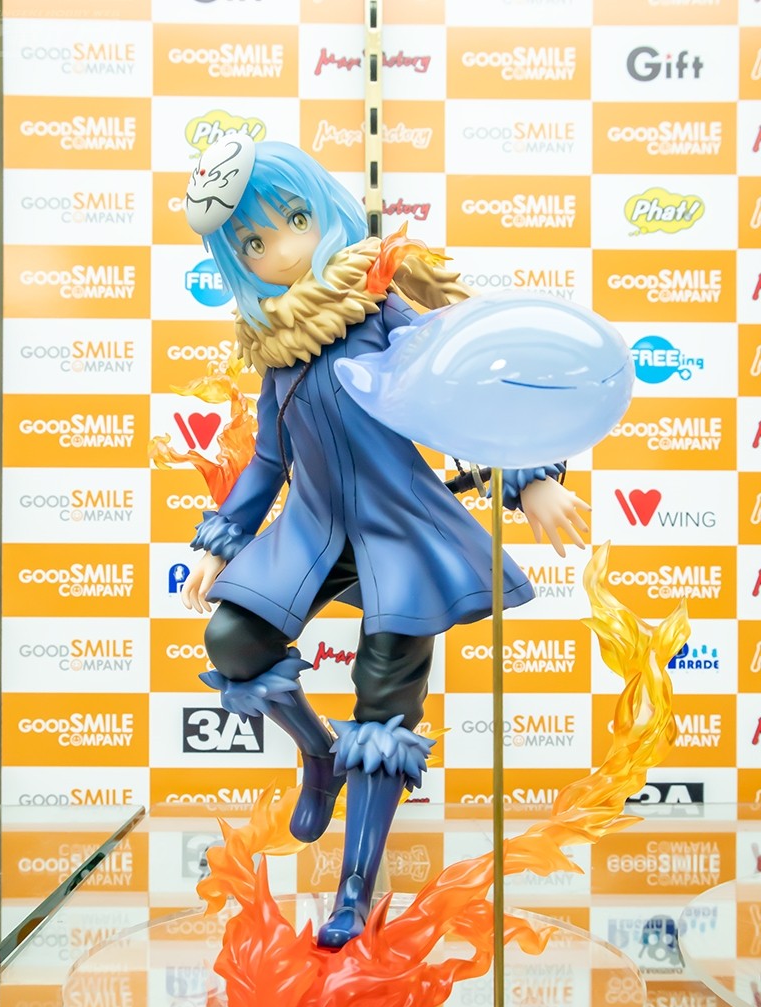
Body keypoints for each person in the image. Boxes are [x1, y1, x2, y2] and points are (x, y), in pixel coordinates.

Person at [180, 136, 591, 949]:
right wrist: (220, 540)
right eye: (254, 243)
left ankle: (353, 893)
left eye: (294, 220)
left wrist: (530, 479)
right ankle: (317, 752)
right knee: (233, 639)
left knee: (385, 708)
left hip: (400, 531)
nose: (282, 249)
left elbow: (463, 399)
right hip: (312, 532)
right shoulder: (278, 351)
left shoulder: (380, 314)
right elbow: (268, 460)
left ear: (325, 212)